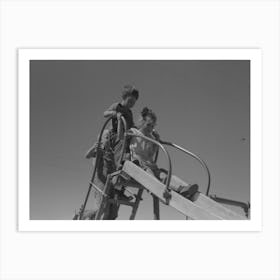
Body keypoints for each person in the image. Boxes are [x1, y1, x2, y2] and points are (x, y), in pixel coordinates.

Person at [129, 107, 198, 199]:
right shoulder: (134, 132)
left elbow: (151, 154)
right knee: (149, 174)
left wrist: (156, 140)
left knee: (164, 175)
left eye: (153, 126)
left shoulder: (151, 137)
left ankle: (182, 189)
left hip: (151, 164)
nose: (150, 128)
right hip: (139, 165)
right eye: (148, 125)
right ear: (142, 122)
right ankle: (160, 191)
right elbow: (122, 138)